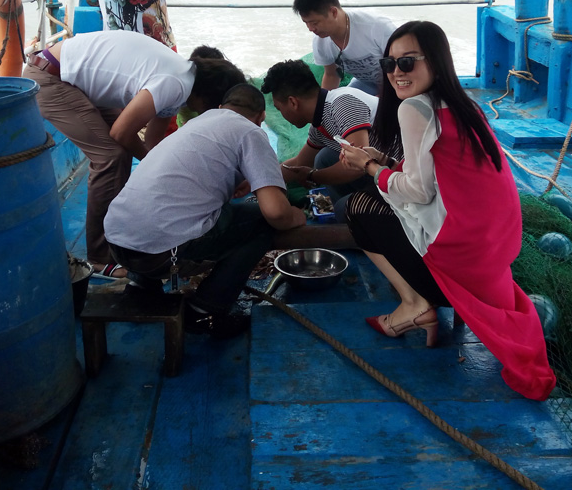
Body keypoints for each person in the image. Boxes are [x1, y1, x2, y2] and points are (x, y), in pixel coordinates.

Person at [340, 20, 556, 401]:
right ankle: (421, 302)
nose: (396, 73)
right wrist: (384, 163)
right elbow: (440, 175)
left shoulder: (413, 108)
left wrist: (369, 167)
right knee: (380, 190)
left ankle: (415, 304)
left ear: (435, 62)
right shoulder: (463, 105)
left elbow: (419, 190)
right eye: (389, 64)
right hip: (493, 248)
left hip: (460, 253)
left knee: (357, 206)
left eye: (407, 62)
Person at [22, 30, 245, 277]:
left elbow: (153, 142)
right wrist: (153, 163)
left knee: (123, 151)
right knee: (111, 156)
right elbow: (121, 133)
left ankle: (118, 237)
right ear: (207, 97)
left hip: (75, 81)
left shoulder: (183, 79)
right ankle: (99, 258)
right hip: (51, 78)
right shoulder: (175, 83)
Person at [104, 84, 306, 338]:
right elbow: (276, 212)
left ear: (221, 108)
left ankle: (140, 286)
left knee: (160, 207)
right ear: (261, 117)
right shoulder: (251, 132)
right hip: (160, 256)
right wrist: (296, 216)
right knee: (261, 222)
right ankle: (205, 309)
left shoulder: (196, 124)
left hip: (117, 243)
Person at [260, 59, 383, 222]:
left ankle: (358, 214)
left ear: (292, 102)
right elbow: (299, 163)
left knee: (344, 209)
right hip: (377, 169)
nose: (281, 114)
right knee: (324, 158)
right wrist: (259, 181)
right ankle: (354, 209)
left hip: (401, 173)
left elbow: (359, 165)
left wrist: (313, 176)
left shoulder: (343, 104)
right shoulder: (320, 123)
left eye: (279, 108)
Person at [293, 0, 396, 95]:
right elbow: (331, 75)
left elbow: (403, 68)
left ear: (333, 12)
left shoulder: (377, 27)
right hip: (365, 83)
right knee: (342, 101)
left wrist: (382, 100)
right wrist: (325, 104)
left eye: (315, 23)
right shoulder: (320, 40)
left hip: (396, 82)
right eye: (306, 23)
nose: (310, 29)